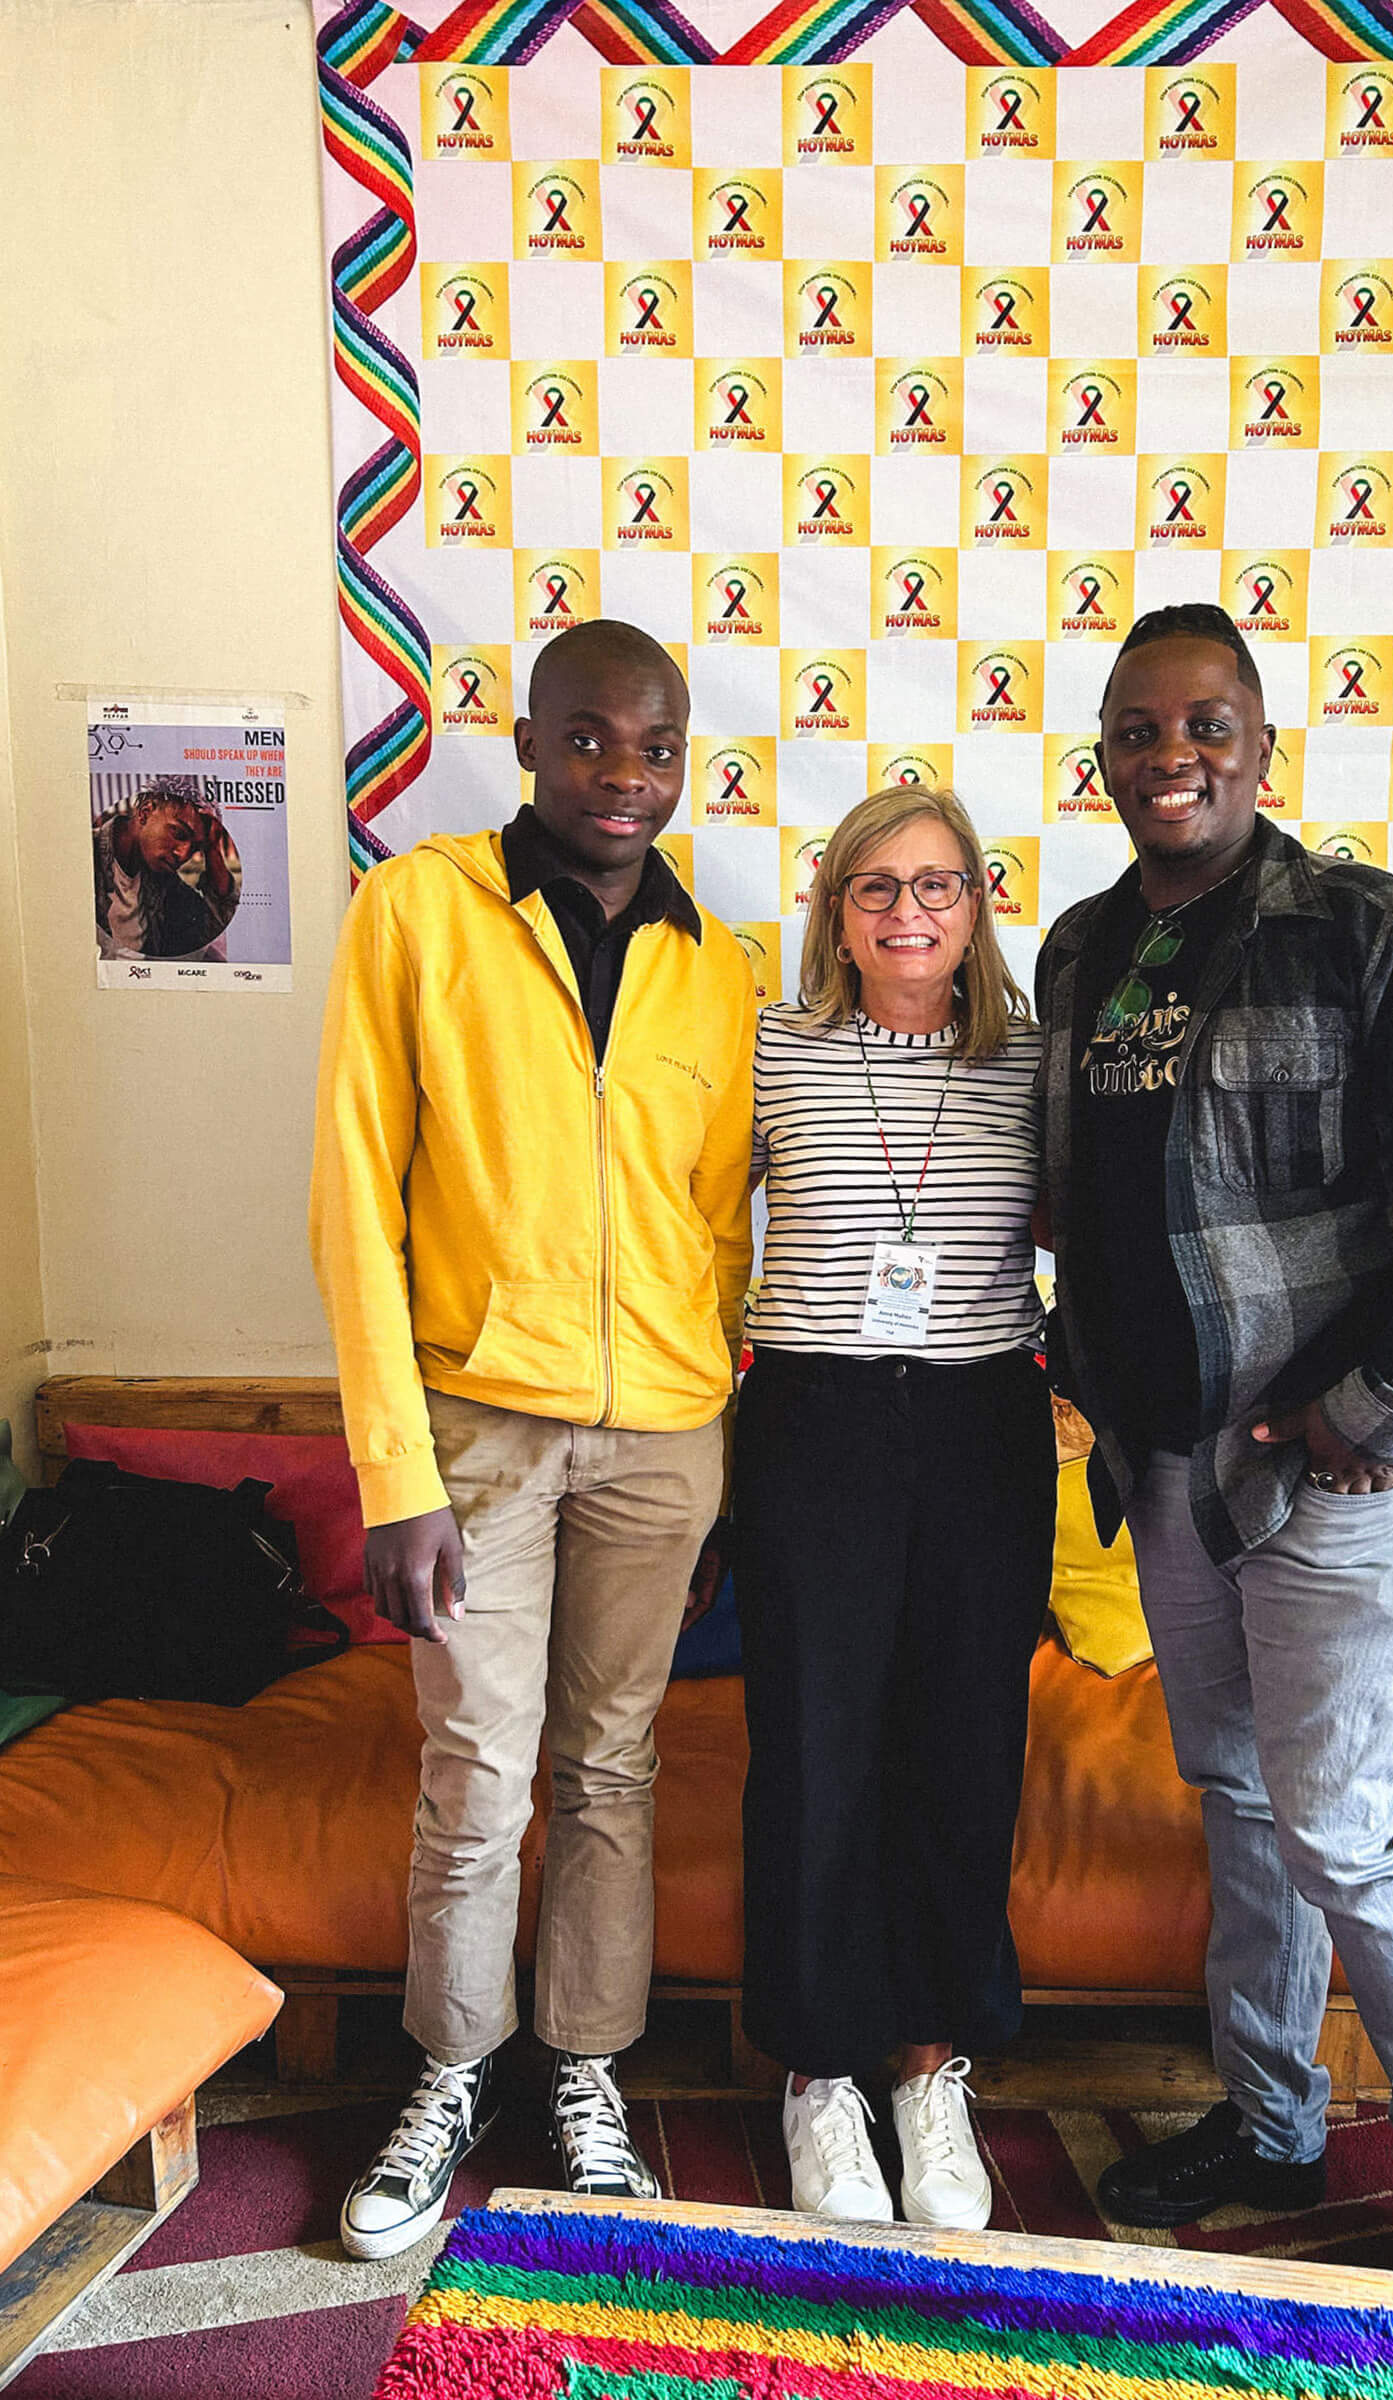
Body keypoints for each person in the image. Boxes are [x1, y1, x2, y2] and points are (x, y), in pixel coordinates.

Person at [1034, 603, 1393, 2278]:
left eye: (1202, 724)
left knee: (1336, 1819)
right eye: (1135, 728)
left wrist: (1375, 1407)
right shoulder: (1081, 951)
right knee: (1241, 1807)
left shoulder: (1367, 930)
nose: (1168, 755)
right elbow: (1085, 1205)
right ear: (1103, 756)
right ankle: (1269, 2126)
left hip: (1333, 1468)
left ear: (1262, 748)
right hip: (1169, 1463)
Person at [310, 619, 755, 2259]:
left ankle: (582, 2067)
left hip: (662, 1438)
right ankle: (449, 2071)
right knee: (479, 1775)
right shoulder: (420, 911)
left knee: (613, 1765)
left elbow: (717, 1222)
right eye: (589, 741)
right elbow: (357, 1199)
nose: (623, 778)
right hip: (475, 1434)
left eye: (654, 748)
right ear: (528, 738)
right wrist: (393, 1469)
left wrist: (710, 1416)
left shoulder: (726, 959)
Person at [737, 784, 1057, 2231]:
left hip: (984, 1423)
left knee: (963, 1747)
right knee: (814, 1748)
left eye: (938, 884)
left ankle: (931, 2064)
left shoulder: (1033, 1062)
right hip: (815, 1421)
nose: (908, 913)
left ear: (980, 904)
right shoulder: (771, 1050)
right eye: (876, 886)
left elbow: (1099, 1227)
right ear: (835, 908)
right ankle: (816, 2074)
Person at [93, 777, 238, 958]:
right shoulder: (87, 856)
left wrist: (213, 849)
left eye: (195, 848)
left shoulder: (162, 879)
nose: (183, 854)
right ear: (145, 813)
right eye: (178, 833)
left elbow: (216, 927)